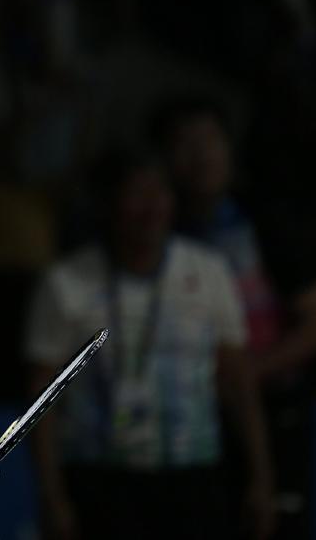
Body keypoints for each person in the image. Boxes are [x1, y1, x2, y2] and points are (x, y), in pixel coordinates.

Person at [24, 151, 275, 540]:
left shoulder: (209, 272)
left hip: (192, 476)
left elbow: (240, 383)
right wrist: (52, 496)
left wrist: (261, 480)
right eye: (136, 194)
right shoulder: (65, 282)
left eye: (160, 192)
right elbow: (43, 397)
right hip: (99, 480)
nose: (151, 207)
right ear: (109, 204)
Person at [153, 96, 316, 538]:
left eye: (210, 140)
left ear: (229, 150)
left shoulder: (265, 222)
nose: (200, 154)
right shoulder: (160, 233)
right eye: (184, 143)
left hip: (276, 418)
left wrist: (243, 377)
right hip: (195, 430)